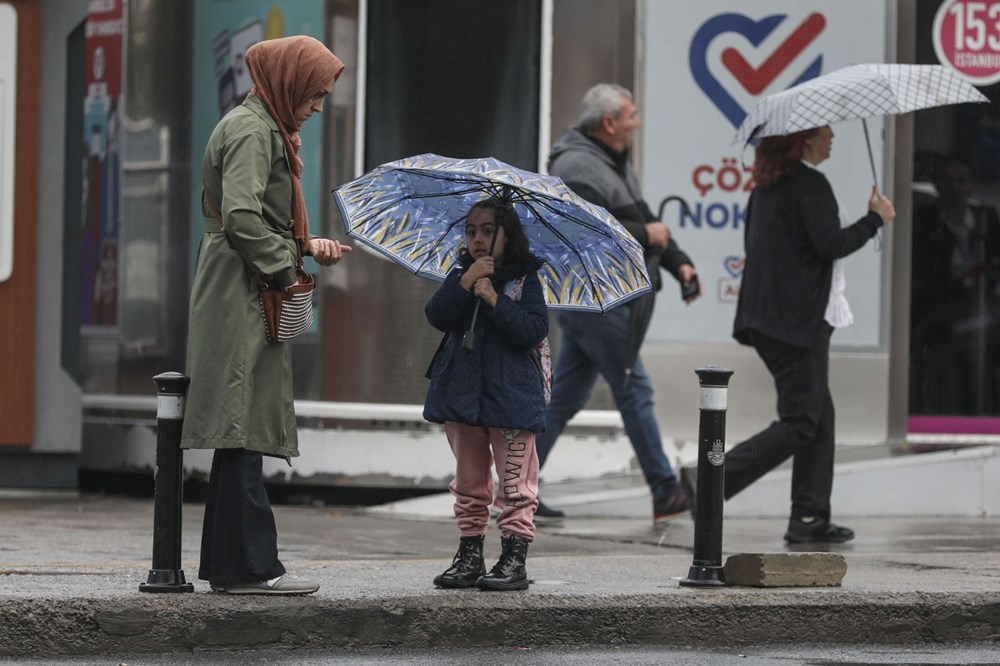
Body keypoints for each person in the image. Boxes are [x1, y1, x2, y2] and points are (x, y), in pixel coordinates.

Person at [180, 36, 349, 595]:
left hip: (242, 283)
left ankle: (237, 566)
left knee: (241, 430)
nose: (319, 105)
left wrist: (305, 246)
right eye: (316, 93)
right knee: (243, 425)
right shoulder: (255, 131)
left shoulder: (259, 125)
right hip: (243, 289)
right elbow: (242, 218)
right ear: (290, 82)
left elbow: (254, 218)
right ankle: (248, 567)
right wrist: (286, 270)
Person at [684, 125, 895, 544]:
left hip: (772, 321)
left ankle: (810, 519)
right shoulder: (810, 185)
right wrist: (875, 219)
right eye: (825, 132)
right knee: (802, 421)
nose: (833, 136)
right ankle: (708, 479)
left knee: (820, 418)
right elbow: (830, 244)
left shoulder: (766, 187)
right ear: (803, 140)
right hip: (795, 325)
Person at [535, 83, 701, 524]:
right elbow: (587, 232)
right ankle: (665, 491)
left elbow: (642, 215)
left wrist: (680, 263)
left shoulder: (612, 164)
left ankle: (516, 489)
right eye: (631, 115)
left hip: (601, 299)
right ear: (609, 123)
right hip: (593, 299)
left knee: (565, 398)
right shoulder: (576, 166)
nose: (637, 122)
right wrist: (649, 237)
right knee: (635, 389)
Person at [424, 199, 548, 592]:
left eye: (488, 231)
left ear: (508, 235)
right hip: (461, 396)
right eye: (471, 231)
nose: (477, 238)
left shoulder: (525, 281)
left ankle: (514, 556)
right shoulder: (461, 273)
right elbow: (437, 315)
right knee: (469, 480)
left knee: (515, 483)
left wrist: (495, 300)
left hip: (511, 399)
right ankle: (469, 553)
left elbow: (533, 330)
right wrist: (465, 283)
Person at [911, 156, 1000, 415]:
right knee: (953, 363)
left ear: (971, 186)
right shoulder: (925, 222)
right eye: (947, 181)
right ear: (938, 185)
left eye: (961, 181)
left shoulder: (986, 218)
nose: (955, 187)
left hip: (985, 308)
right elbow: (922, 274)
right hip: (943, 312)